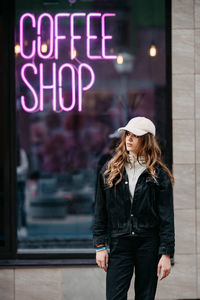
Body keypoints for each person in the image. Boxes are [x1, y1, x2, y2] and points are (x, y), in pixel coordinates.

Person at [92, 116, 175, 300]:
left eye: (135, 135)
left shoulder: (159, 175)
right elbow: (100, 210)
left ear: (146, 140)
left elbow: (166, 217)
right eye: (127, 134)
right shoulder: (109, 170)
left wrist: (166, 254)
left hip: (148, 243)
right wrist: (99, 245)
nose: (128, 139)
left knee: (145, 297)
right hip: (120, 241)